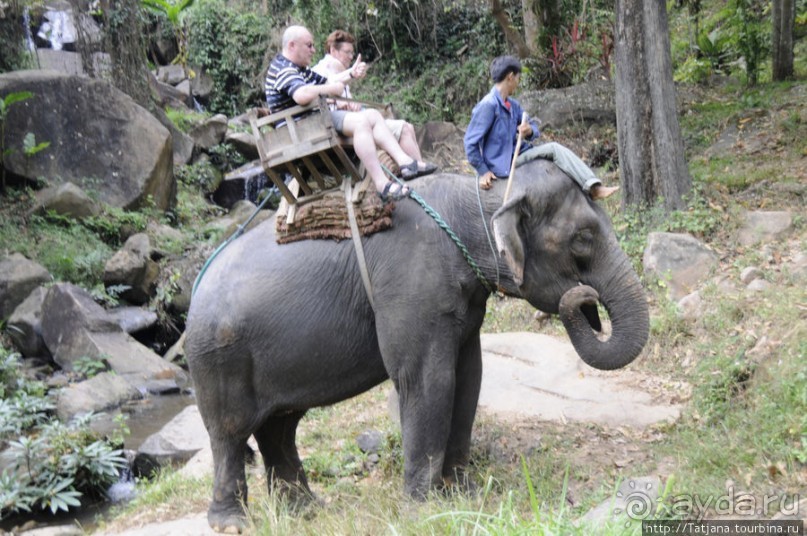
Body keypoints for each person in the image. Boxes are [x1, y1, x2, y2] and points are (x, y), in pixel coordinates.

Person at [265, 25, 437, 201]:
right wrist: (331, 90)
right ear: (292, 45)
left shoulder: (297, 68)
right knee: (361, 122)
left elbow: (329, 80)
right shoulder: (284, 69)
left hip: (311, 123)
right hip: (304, 128)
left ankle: (405, 162)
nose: (313, 50)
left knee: (372, 115)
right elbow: (301, 95)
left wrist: (351, 75)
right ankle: (381, 183)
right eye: (309, 45)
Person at [464, 55, 619, 199]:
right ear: (510, 77)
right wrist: (484, 171)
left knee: (553, 150)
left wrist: (529, 130)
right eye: (518, 78)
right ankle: (593, 188)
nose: (518, 83)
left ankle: (588, 187)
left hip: (519, 154)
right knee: (554, 148)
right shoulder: (488, 105)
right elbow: (470, 143)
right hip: (502, 165)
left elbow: (533, 126)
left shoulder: (513, 105)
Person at [312, 29, 437, 180]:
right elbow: (318, 98)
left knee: (407, 127)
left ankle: (417, 166)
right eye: (347, 52)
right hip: (346, 127)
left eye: (352, 53)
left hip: (354, 121)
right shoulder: (320, 71)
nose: (350, 57)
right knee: (403, 128)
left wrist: (352, 105)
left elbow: (346, 99)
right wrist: (339, 101)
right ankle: (418, 174)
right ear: (333, 50)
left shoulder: (337, 72)